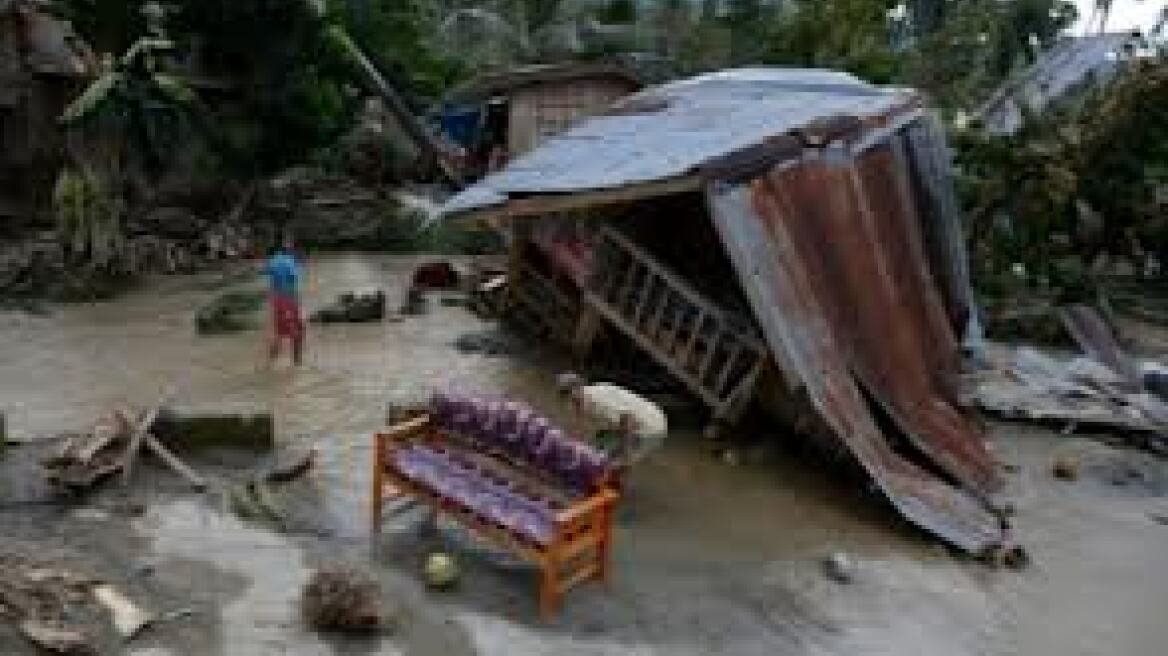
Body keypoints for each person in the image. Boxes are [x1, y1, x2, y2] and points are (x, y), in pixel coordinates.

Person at [557, 372, 667, 465]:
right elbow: (580, 428)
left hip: (651, 427)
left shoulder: (598, 401)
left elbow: (629, 420)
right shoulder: (584, 397)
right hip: (631, 420)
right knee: (600, 443)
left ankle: (613, 484)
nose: (569, 401)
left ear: (577, 387)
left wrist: (625, 452)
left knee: (619, 460)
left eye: (568, 393)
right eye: (565, 396)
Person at [265, 238, 305, 365]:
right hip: (289, 299)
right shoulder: (289, 261)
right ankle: (297, 361)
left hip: (278, 300)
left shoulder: (272, 261)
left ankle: (271, 363)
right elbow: (293, 278)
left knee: (280, 331)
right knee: (296, 331)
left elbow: (267, 273)